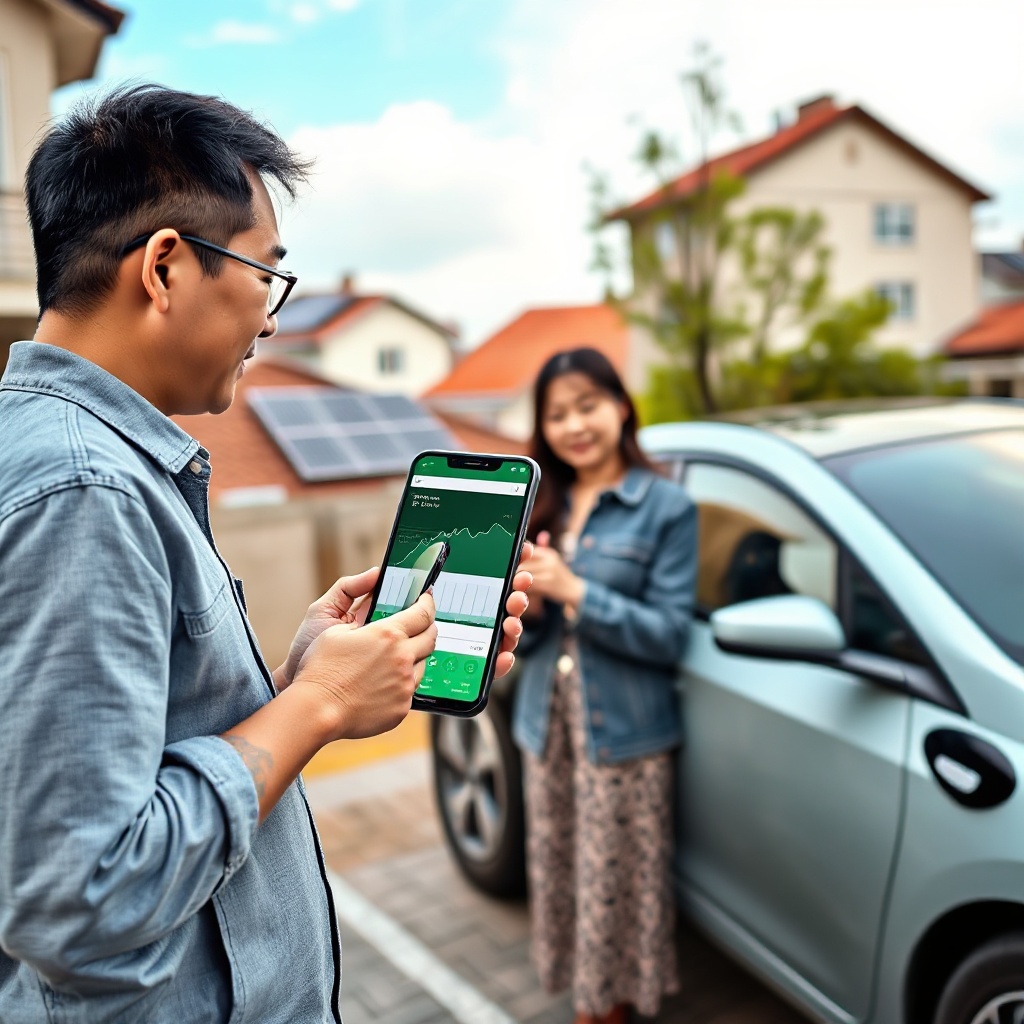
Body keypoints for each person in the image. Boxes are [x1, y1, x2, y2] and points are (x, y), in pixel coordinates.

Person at [0, 84, 530, 1024]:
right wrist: (319, 708)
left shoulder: (67, 454)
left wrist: (293, 681)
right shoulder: (84, 490)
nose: (274, 316)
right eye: (266, 273)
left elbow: (132, 747)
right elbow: (76, 894)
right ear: (165, 268)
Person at [514, 348, 696, 1024]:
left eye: (587, 405)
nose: (574, 425)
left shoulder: (667, 507)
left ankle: (608, 1012)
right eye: (557, 414)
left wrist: (577, 591)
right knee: (564, 877)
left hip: (626, 739)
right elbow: (531, 639)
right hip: (547, 729)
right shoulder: (542, 506)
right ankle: (588, 1005)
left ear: (622, 405)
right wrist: (529, 607)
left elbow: (669, 635)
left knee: (618, 890)